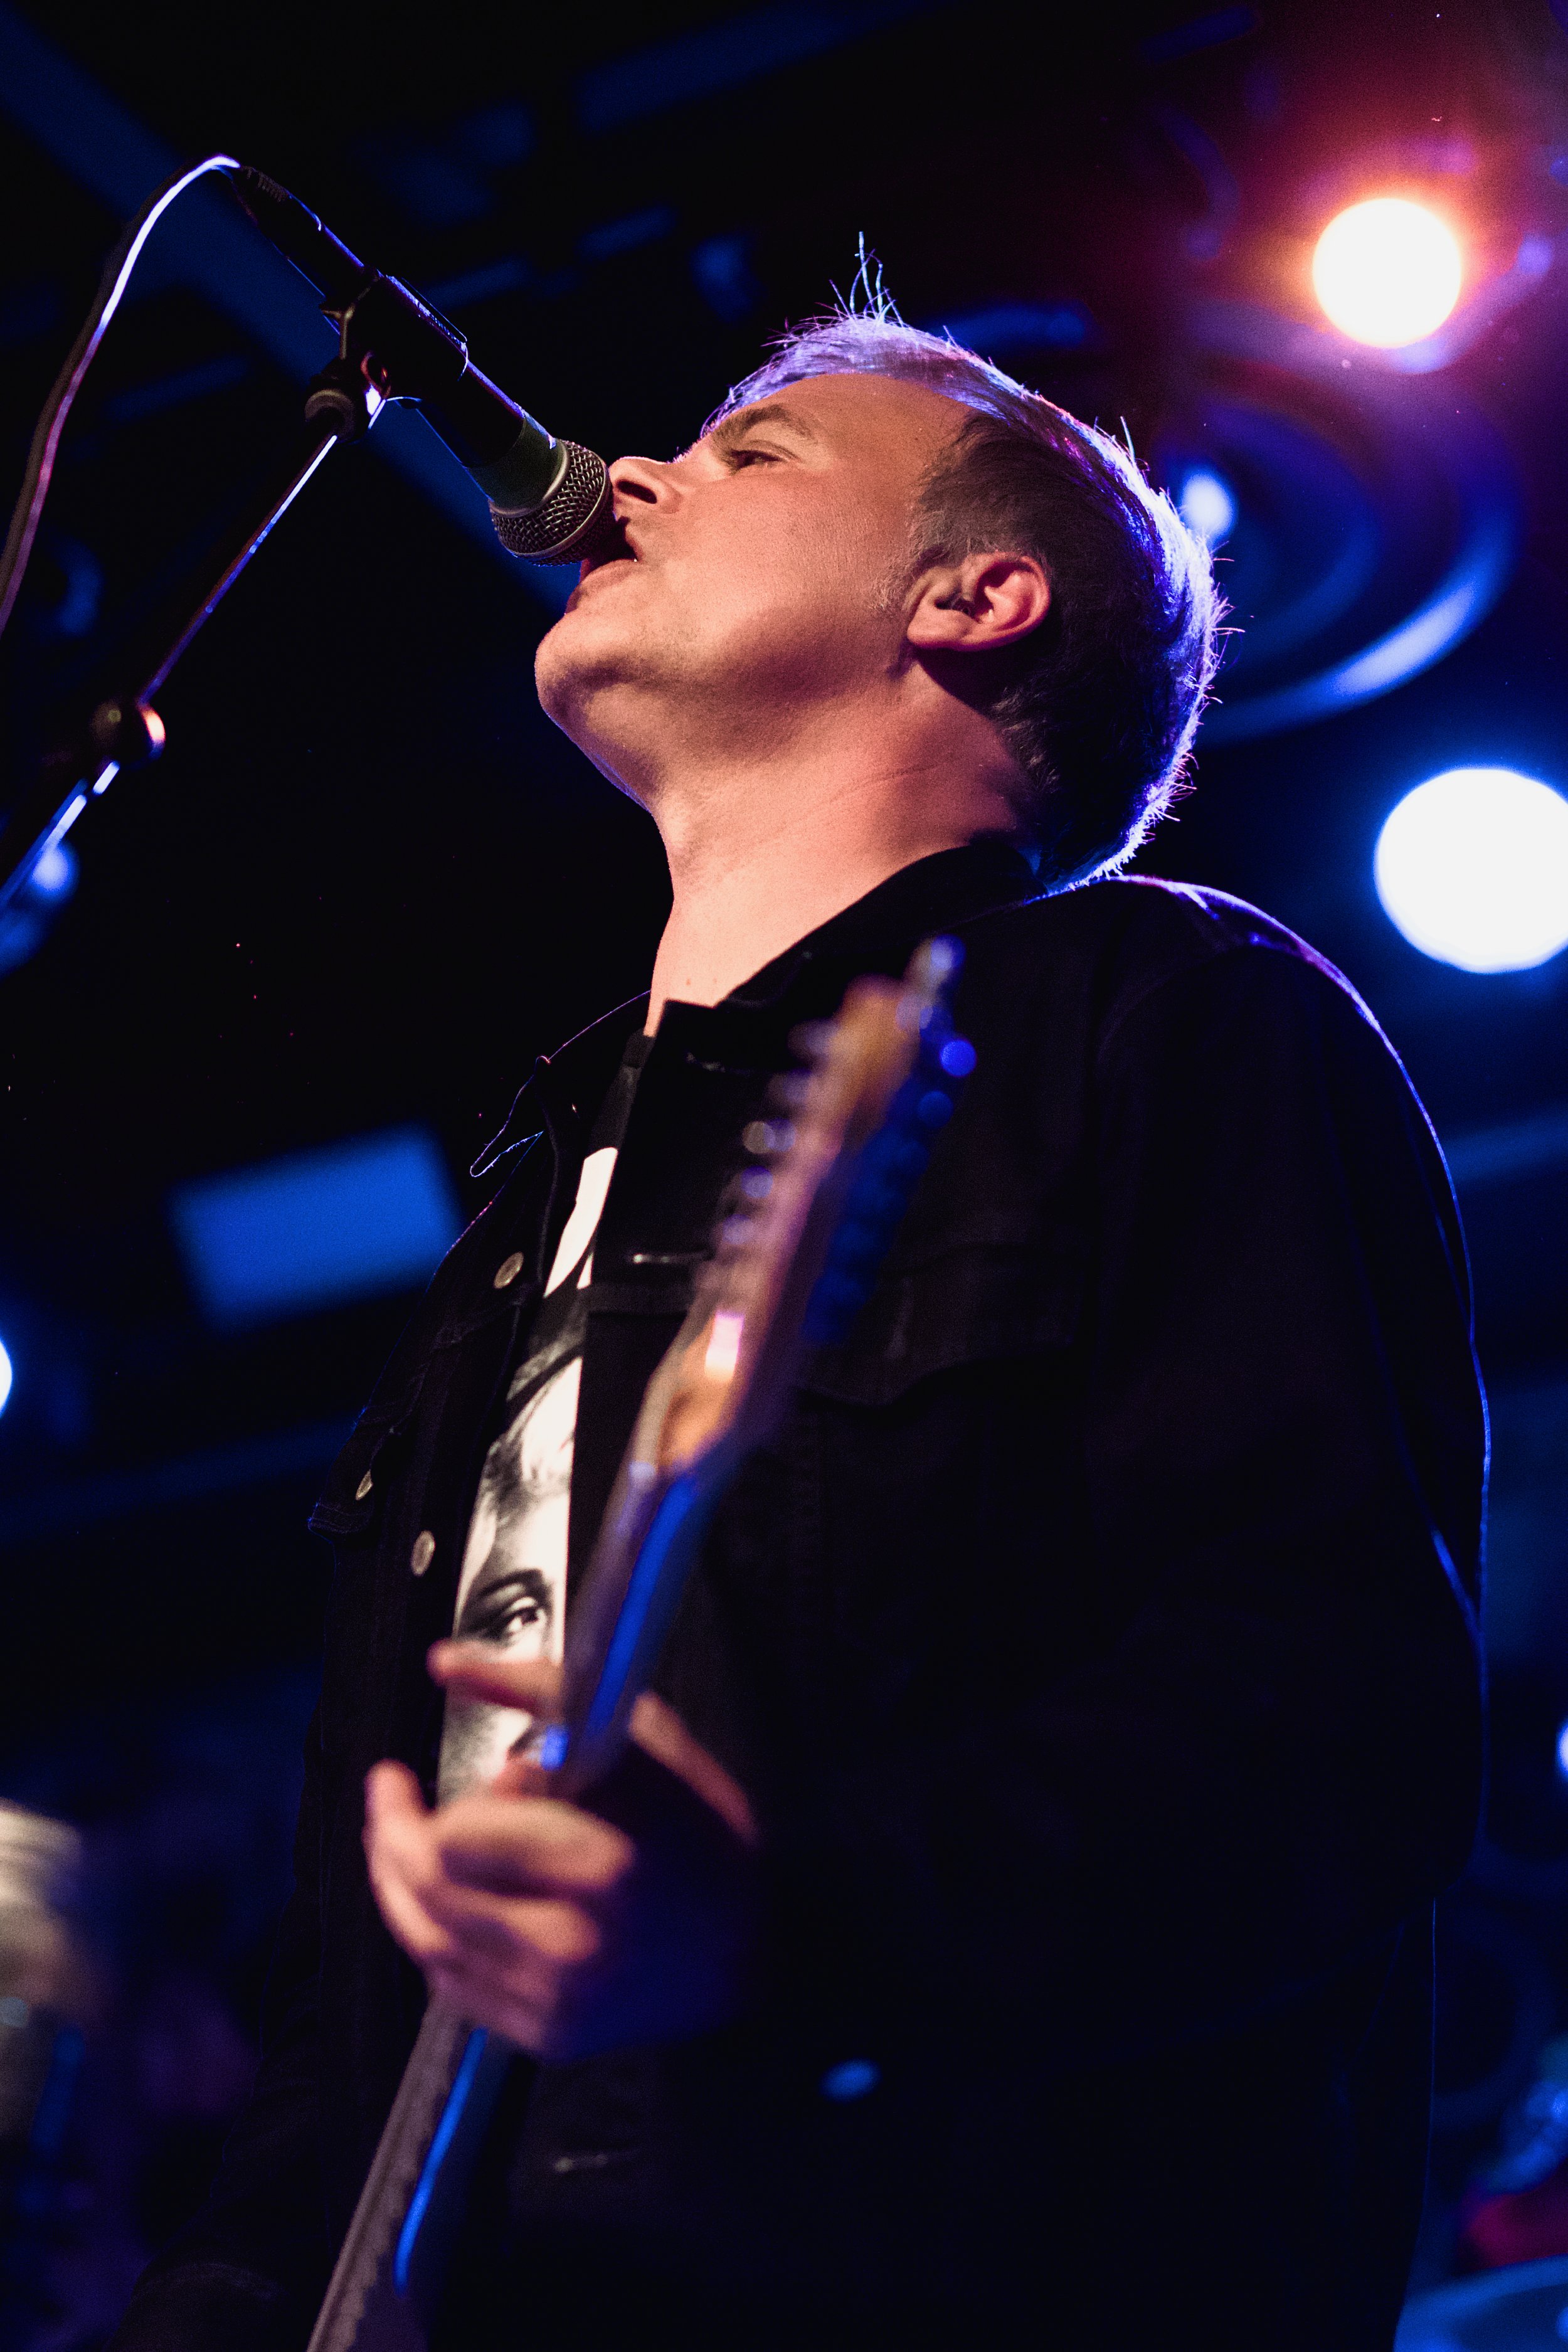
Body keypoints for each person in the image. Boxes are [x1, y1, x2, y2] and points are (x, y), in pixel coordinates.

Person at [110, 300, 1485, 2352]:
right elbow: (353, 1994)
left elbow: (1327, 1720)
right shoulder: (531, 1208)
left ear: (975, 596)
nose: (631, 476)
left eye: (751, 452)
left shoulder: (1168, 1018)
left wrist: (780, 1914)